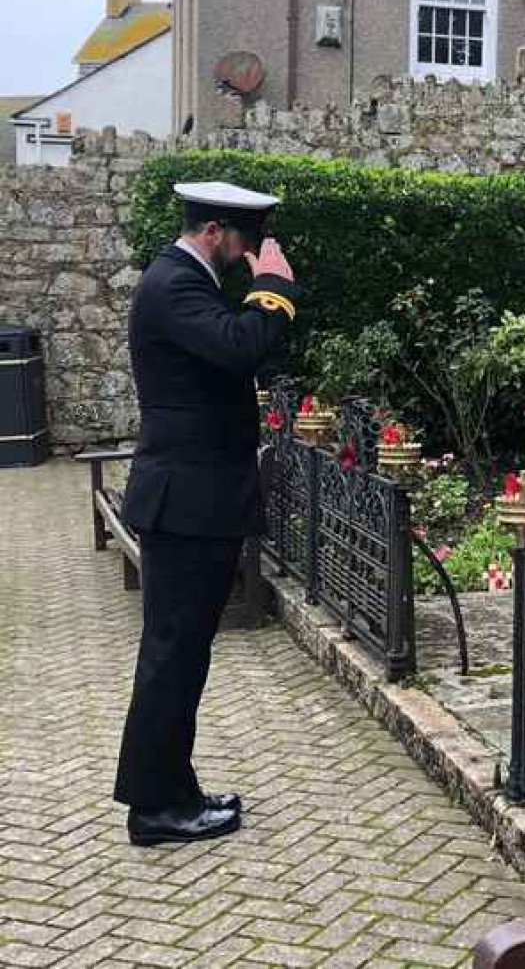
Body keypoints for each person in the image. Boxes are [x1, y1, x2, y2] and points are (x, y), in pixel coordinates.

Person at [113, 180, 297, 846]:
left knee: (180, 658)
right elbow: (241, 346)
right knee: (172, 658)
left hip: (195, 501)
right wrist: (275, 288)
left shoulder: (182, 281)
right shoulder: (174, 285)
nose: (247, 257)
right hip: (187, 504)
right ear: (216, 231)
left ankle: (173, 791)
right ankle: (155, 811)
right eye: (245, 243)